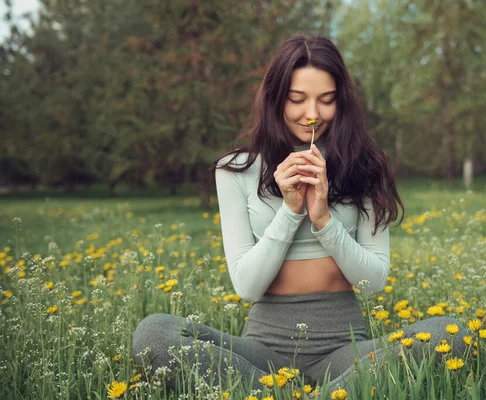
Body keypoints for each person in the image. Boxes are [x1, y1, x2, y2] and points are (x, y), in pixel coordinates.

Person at [132, 32, 467, 395]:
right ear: (276, 99)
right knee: (155, 333)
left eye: (326, 100)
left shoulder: (364, 165)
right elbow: (246, 286)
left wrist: (323, 219)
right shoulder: (235, 170)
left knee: (450, 334)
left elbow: (373, 283)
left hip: (345, 351)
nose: (312, 115)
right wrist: (291, 211)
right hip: (260, 352)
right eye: (297, 99)